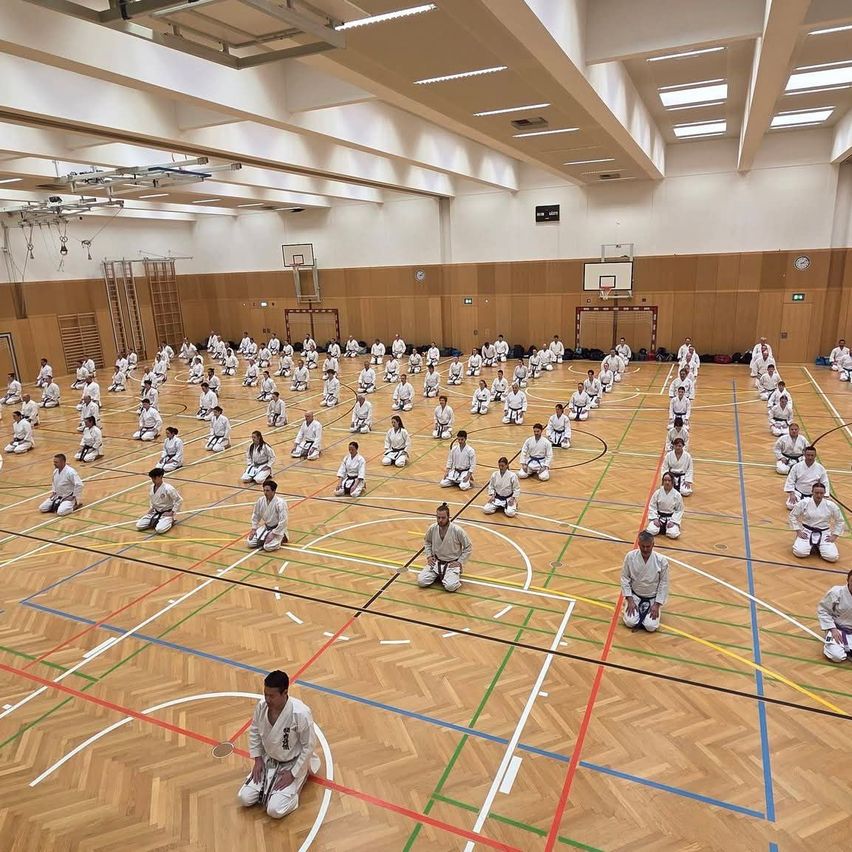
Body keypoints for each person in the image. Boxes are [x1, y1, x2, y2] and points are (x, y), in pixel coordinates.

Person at [237, 669, 318, 819]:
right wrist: (258, 759)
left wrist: (293, 773)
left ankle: (301, 780)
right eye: (265, 694)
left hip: (292, 764)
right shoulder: (262, 707)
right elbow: (254, 731)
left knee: (274, 810)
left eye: (272, 696)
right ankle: (271, 785)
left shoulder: (300, 713)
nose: (267, 699)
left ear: (284, 692)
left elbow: (309, 745)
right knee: (244, 798)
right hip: (269, 761)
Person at [621, 531, 669, 632]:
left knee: (650, 627)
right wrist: (630, 600)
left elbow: (663, 584)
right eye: (643, 546)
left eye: (648, 546)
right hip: (635, 596)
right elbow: (625, 578)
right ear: (638, 544)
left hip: (652, 598)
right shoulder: (630, 556)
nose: (645, 549)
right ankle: (628, 606)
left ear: (653, 545)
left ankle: (652, 612)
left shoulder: (661, 560)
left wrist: (656, 605)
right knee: (630, 622)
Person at [417, 503, 472, 593]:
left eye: (443, 518)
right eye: (438, 517)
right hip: (436, 562)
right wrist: (429, 556)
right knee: (421, 582)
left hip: (451, 564)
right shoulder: (433, 528)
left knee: (450, 587)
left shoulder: (457, 530)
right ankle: (440, 575)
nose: (440, 520)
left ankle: (451, 575)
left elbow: (468, 547)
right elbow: (427, 542)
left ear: (448, 517)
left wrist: (460, 562)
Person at [789, 482, 843, 563]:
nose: (819, 495)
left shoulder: (831, 505)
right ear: (812, 492)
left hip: (824, 533)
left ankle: (819, 546)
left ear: (824, 493)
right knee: (799, 553)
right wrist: (798, 531)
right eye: (816, 492)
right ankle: (808, 544)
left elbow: (840, 520)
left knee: (832, 557)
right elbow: (792, 515)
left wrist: (834, 536)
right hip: (807, 531)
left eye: (821, 493)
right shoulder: (804, 502)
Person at [817, 569, 852, 662]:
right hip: (837, 630)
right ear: (848, 580)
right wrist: (832, 629)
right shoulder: (836, 592)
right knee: (836, 656)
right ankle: (832, 644)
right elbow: (823, 611)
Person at [246, 480, 289, 552]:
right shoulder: (261, 500)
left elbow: (283, 521)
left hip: (278, 529)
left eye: (268, 490)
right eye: (264, 490)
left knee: (267, 547)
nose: (265, 493)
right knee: (250, 543)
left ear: (274, 491)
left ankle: (282, 537)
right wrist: (254, 529)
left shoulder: (280, 503)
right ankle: (265, 539)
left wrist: (274, 533)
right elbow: (256, 514)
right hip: (266, 527)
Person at [136, 468, 182, 534]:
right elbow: (152, 500)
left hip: (166, 513)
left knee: (159, 530)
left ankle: (171, 520)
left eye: (155, 478)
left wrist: (172, 512)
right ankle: (155, 522)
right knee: (139, 526)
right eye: (152, 478)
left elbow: (179, 500)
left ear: (160, 477)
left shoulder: (168, 488)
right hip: (155, 512)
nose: (153, 480)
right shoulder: (152, 487)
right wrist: (151, 509)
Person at [646, 473, 684, 539]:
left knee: (673, 534)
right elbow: (652, 506)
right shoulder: (657, 492)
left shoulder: (677, 495)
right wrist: (655, 518)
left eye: (669, 480)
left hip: (670, 519)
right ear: (662, 481)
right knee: (651, 531)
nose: (667, 482)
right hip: (658, 517)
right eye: (665, 480)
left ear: (672, 482)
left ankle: (665, 528)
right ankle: (660, 527)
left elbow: (679, 510)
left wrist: (673, 521)